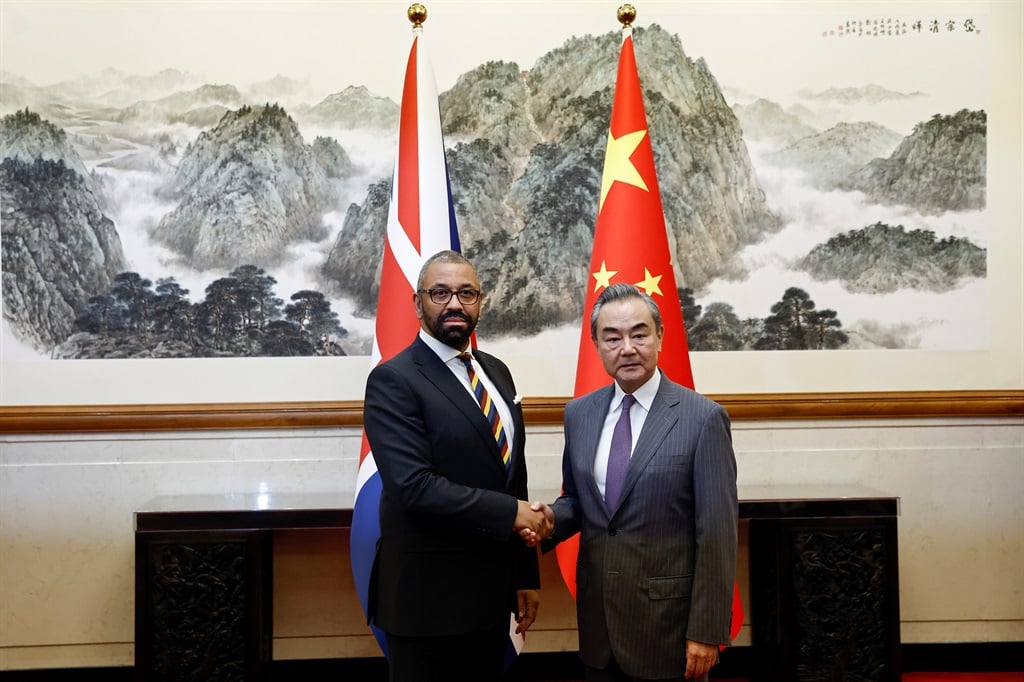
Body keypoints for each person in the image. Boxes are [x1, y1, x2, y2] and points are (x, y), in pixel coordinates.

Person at [530, 282, 738, 682]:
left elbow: (716, 533)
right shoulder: (580, 415)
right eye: (612, 337)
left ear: (660, 335)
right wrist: (549, 519)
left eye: (639, 334)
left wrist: (707, 631)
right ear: (596, 344)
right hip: (599, 624)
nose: (627, 347)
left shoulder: (702, 419)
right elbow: (579, 499)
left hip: (669, 630)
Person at [362, 249, 550, 682]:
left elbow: (512, 478)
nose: (454, 304)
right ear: (417, 303)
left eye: (466, 293)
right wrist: (512, 514)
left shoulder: (496, 372)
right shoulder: (395, 379)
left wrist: (525, 574)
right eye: (440, 293)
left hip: (490, 595)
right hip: (427, 602)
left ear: (480, 302)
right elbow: (414, 485)